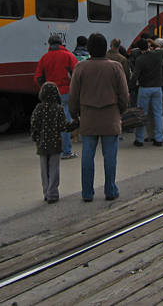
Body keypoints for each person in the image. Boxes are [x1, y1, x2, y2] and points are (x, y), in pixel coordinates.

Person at [69, 33, 130, 201]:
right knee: (110, 156)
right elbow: (124, 95)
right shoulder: (116, 67)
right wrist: (120, 111)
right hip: (110, 116)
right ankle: (110, 190)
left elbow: (74, 96)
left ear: (88, 49)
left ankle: (87, 192)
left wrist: (75, 115)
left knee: (87, 156)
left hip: (88, 116)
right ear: (105, 49)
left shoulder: (80, 68)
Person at [30, 82, 78, 203]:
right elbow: (63, 126)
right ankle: (53, 193)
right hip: (55, 143)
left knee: (43, 169)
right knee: (53, 169)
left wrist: (35, 137)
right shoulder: (58, 109)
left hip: (42, 143)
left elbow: (34, 124)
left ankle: (46, 191)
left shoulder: (38, 108)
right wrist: (76, 124)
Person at [34, 35, 78, 160]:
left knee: (49, 123)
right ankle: (66, 151)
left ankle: (51, 149)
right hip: (65, 92)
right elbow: (76, 73)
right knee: (64, 122)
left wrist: (45, 88)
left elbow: (37, 77)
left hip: (50, 95)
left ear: (49, 44)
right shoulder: (68, 56)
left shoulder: (44, 58)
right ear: (61, 43)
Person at [129, 39, 163, 147]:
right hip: (157, 87)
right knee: (158, 113)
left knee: (142, 114)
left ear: (139, 48)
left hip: (144, 88)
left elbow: (135, 76)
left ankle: (139, 139)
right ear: (148, 45)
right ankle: (159, 138)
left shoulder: (140, 59)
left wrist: (129, 86)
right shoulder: (157, 54)